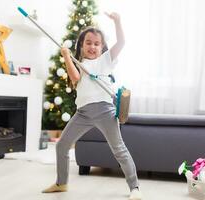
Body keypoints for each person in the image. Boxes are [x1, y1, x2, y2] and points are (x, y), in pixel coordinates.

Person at [42, 12, 142, 200]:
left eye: (96, 43)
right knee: (62, 145)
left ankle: (134, 187)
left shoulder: (105, 60)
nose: (92, 46)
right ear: (81, 45)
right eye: (88, 42)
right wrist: (66, 56)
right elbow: (75, 79)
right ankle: (61, 183)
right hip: (83, 113)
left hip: (104, 111)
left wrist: (118, 21)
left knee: (119, 149)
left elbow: (121, 43)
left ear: (102, 46)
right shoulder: (81, 63)